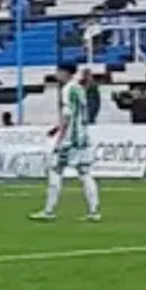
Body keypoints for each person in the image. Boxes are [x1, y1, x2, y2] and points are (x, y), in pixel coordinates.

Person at [31, 64, 100, 222]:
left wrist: (60, 138)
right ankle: (94, 211)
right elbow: (79, 113)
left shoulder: (67, 89)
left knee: (55, 170)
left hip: (70, 139)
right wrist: (57, 128)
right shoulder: (79, 88)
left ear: (65, 73)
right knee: (85, 173)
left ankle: (49, 211)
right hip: (83, 137)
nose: (56, 74)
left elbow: (68, 115)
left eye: (58, 72)